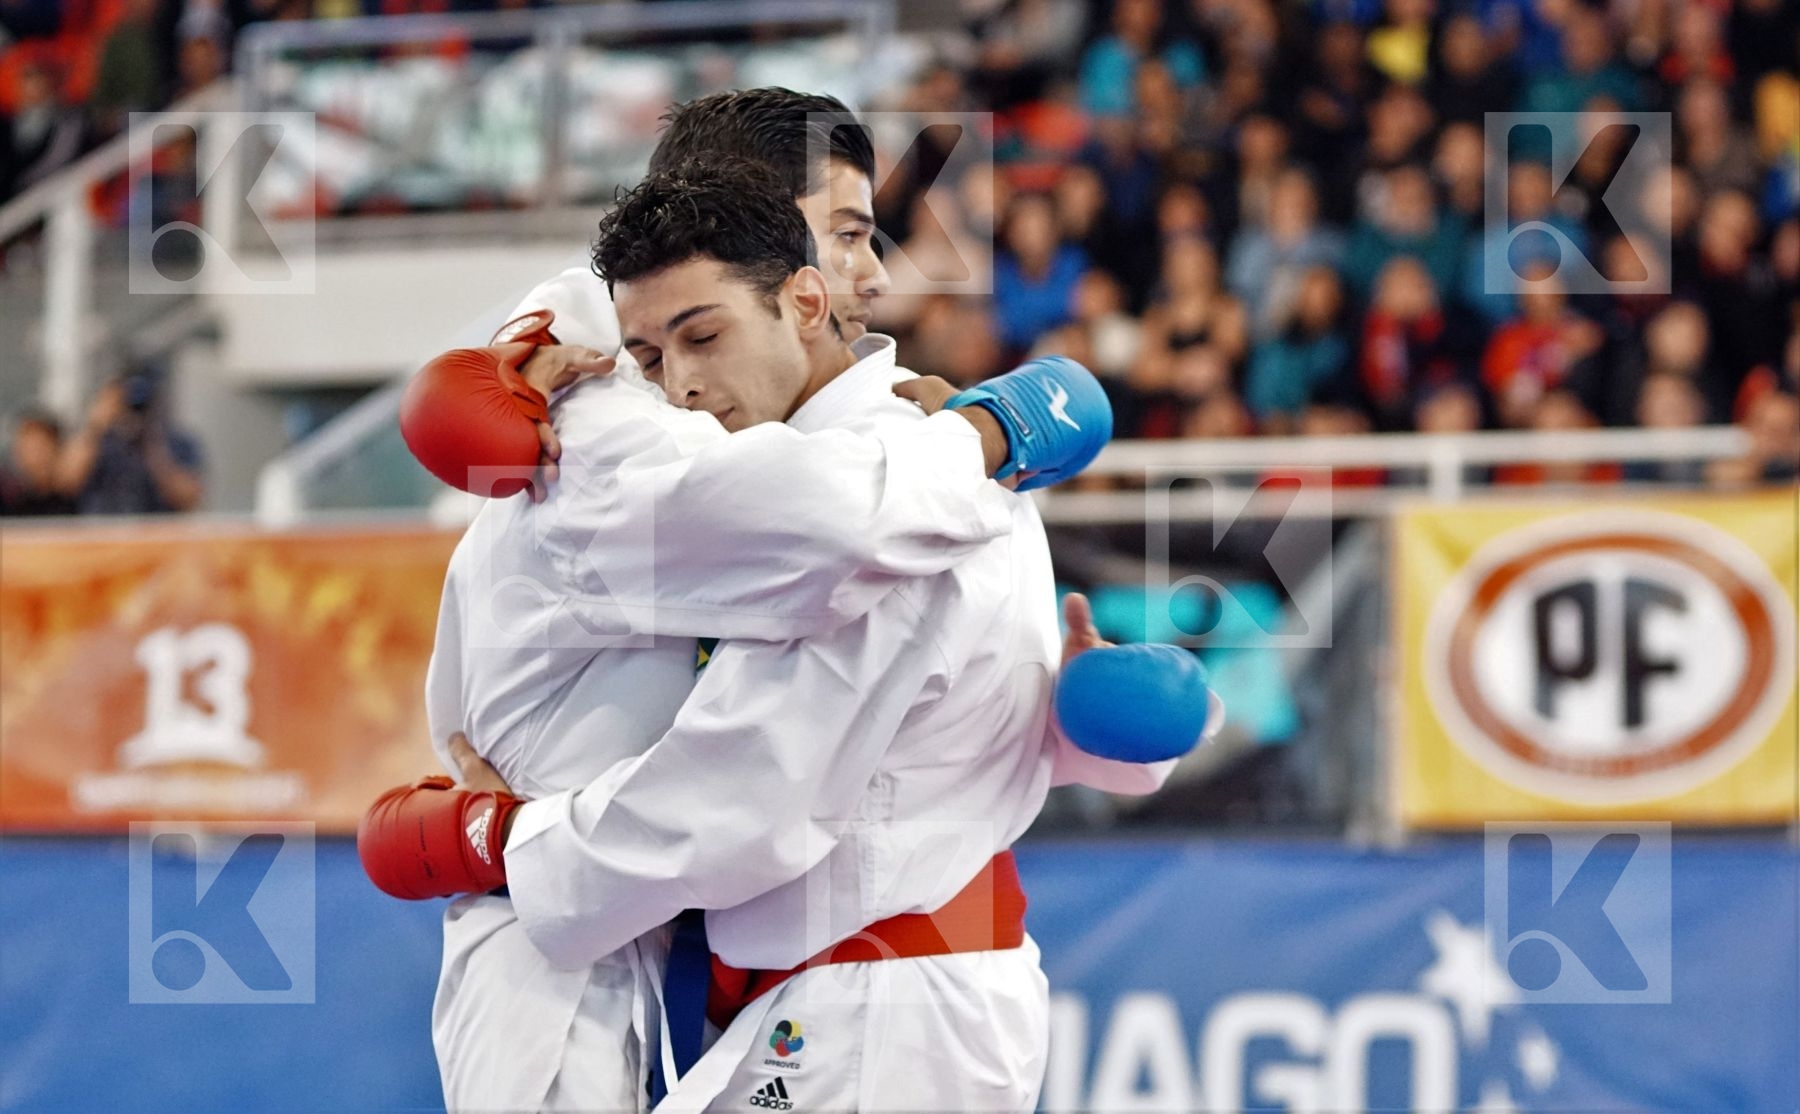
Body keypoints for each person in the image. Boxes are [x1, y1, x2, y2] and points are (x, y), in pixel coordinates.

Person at [364, 89, 1177, 1114]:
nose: (873, 271)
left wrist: (499, 843)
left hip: (834, 978)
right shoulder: (624, 437)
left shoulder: (885, 461)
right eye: (843, 233)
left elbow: (755, 790)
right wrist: (1004, 428)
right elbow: (836, 519)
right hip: (610, 957)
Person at [57, 369, 206, 515]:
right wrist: (96, 426)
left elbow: (190, 498)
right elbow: (66, 483)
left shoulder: (175, 440)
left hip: (157, 533)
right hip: (100, 533)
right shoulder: (97, 439)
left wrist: (154, 450)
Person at [0, 409, 75, 516]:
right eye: (26, 448)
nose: (34, 458)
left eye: (39, 448)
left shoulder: (77, 498)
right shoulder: (10, 500)